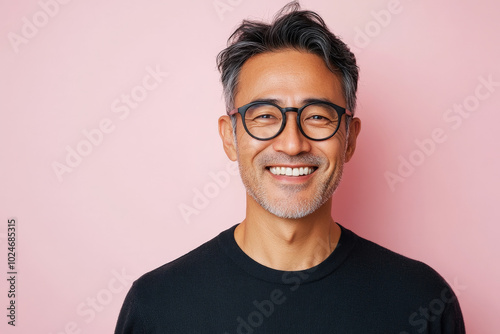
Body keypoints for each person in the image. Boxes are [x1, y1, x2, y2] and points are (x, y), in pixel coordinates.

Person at [114, 2, 465, 333]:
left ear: (350, 139)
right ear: (229, 137)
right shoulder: (156, 306)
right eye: (266, 116)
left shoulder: (423, 301)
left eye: (316, 116)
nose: (292, 144)